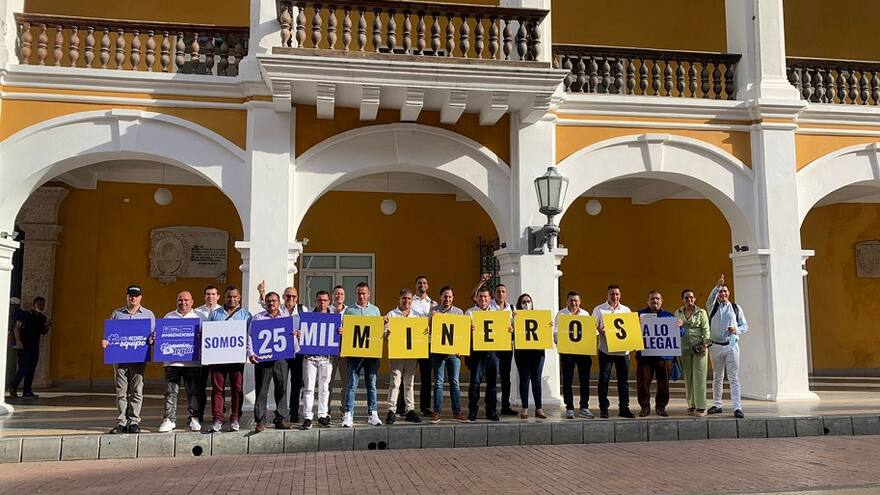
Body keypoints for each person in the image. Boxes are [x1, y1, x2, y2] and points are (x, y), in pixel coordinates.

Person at [102, 285, 155, 434]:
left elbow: (152, 335)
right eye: (131, 295)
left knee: (137, 390)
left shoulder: (148, 314)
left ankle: (134, 421)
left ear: (141, 297)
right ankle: (121, 422)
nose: (133, 298)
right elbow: (109, 336)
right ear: (126, 296)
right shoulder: (117, 314)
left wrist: (152, 339)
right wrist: (105, 342)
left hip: (139, 358)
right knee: (121, 391)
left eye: (136, 295)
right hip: (120, 359)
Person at [208, 285, 252, 433]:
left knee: (237, 389)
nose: (231, 299)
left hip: (237, 359)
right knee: (217, 390)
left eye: (234, 297)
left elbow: (250, 336)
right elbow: (208, 334)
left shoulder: (246, 315)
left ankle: (235, 418)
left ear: (239, 298)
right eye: (229, 296)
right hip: (218, 359)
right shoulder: (215, 314)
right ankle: (218, 419)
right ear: (224, 297)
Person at [158, 291, 202, 433]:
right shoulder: (168, 316)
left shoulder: (199, 317)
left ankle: (194, 418)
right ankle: (169, 419)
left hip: (192, 363)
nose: (183, 303)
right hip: (172, 363)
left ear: (192, 302)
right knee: (170, 392)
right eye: (180, 300)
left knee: (193, 392)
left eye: (186, 300)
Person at [249, 291, 293, 432]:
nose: (271, 303)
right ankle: (260, 421)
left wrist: (295, 335)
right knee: (262, 390)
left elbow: (292, 334)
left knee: (282, 388)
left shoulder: (286, 317)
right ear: (265, 303)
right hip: (263, 359)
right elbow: (250, 336)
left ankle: (281, 418)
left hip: (281, 359)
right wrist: (251, 353)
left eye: (274, 300)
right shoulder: (258, 318)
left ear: (279, 302)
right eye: (268, 301)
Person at [706, 275, 749, 419]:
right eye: (720, 292)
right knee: (717, 377)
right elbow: (710, 298)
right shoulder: (712, 307)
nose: (723, 294)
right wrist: (717, 286)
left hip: (731, 345)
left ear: (729, 293)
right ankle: (717, 404)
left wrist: (737, 330)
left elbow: (745, 325)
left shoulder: (736, 308)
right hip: (716, 346)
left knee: (734, 378)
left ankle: (737, 407)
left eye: (725, 291)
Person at [341, 282, 383, 428]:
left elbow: (379, 332)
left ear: (369, 294)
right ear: (356, 294)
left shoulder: (375, 310)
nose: (361, 295)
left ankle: (373, 414)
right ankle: (348, 414)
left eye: (364, 293)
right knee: (352, 385)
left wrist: (385, 330)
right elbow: (344, 330)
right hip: (354, 354)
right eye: (359, 293)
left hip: (371, 355)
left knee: (371, 384)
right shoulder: (349, 311)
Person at [593, 284, 636, 419]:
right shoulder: (599, 310)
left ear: (620, 295)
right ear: (607, 295)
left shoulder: (626, 310)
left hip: (623, 352)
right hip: (606, 350)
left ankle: (624, 408)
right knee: (604, 380)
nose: (615, 297)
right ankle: (604, 409)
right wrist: (600, 330)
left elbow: (630, 329)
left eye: (617, 294)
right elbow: (592, 327)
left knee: (623, 381)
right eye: (612, 294)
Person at [429, 286, 468, 424]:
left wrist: (461, 348)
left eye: (450, 296)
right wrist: (432, 320)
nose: (447, 299)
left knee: (455, 383)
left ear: (453, 298)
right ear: (441, 297)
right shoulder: (434, 312)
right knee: (439, 383)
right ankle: (437, 412)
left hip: (453, 353)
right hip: (438, 353)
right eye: (445, 296)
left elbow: (462, 333)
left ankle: (457, 412)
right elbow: (428, 331)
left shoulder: (459, 312)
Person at [384, 288, 423, 424]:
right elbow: (385, 333)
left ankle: (410, 410)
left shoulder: (417, 316)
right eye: (404, 298)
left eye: (409, 299)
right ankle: (391, 410)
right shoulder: (392, 314)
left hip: (411, 354)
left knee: (409, 383)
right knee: (395, 382)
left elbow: (421, 334)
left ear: (412, 301)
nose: (406, 301)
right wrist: (386, 333)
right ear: (399, 299)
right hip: (397, 354)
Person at [635, 291, 675, 417]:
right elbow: (630, 330)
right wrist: (636, 325)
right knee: (643, 383)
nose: (655, 301)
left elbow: (680, 333)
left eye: (657, 299)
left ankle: (661, 407)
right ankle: (644, 407)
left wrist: (679, 326)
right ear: (648, 301)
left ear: (661, 300)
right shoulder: (639, 315)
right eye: (652, 299)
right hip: (645, 355)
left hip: (664, 356)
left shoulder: (669, 316)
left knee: (664, 383)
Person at [465, 286, 502, 422]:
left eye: (485, 296)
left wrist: (509, 329)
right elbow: (463, 334)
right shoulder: (470, 313)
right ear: (477, 298)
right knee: (475, 383)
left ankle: (491, 411)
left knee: (492, 384)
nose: (483, 299)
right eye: (480, 296)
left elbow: (502, 332)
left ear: (490, 298)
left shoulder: (497, 313)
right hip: (476, 353)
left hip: (492, 353)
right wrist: (468, 329)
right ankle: (473, 410)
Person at [300, 290, 334, 429]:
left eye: (325, 300)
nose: (322, 303)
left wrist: (340, 332)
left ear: (329, 302)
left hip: (326, 359)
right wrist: (299, 334)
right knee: (308, 388)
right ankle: (308, 416)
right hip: (310, 358)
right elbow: (302, 334)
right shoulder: (308, 317)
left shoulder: (334, 318)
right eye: (319, 300)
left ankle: (322, 415)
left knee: (324, 388)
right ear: (315, 301)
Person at [557, 290, 593, 420]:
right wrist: (561, 343)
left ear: (580, 302)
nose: (573, 303)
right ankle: (569, 408)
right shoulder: (561, 314)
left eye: (576, 301)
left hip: (583, 352)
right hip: (568, 353)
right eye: (571, 300)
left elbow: (590, 333)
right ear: (567, 301)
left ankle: (584, 407)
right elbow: (556, 333)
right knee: (567, 380)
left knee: (584, 380)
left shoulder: (585, 314)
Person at [675, 289, 711, 417]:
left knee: (699, 376)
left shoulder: (701, 313)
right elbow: (674, 330)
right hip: (684, 348)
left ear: (694, 299)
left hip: (699, 348)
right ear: (682, 300)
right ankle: (691, 404)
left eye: (691, 297)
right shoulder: (678, 313)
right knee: (688, 377)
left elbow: (706, 330)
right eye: (686, 298)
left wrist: (705, 344)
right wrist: (677, 325)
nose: (688, 300)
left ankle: (701, 406)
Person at [9, 296, 50, 399]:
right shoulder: (25, 315)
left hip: (34, 346)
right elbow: (16, 328)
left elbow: (43, 332)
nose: (41, 306)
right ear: (34, 304)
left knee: (32, 368)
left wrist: (47, 326)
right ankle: (13, 386)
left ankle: (27, 391)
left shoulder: (42, 318)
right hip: (24, 345)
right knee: (24, 367)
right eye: (39, 304)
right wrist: (18, 341)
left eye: (43, 305)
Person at [192, 285, 221, 430]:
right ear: (204, 296)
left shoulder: (223, 312)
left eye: (213, 294)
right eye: (208, 294)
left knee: (218, 388)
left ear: (218, 296)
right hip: (201, 356)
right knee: (199, 387)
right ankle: (199, 414)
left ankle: (218, 415)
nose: (211, 296)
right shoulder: (196, 312)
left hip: (218, 357)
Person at [514, 293, 546, 419]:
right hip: (522, 352)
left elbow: (545, 331)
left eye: (528, 301)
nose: (526, 304)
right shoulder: (515, 316)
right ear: (519, 304)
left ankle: (539, 408)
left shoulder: (538, 315)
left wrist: (547, 325)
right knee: (524, 379)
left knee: (537, 380)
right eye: (523, 301)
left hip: (537, 352)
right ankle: (525, 408)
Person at [412, 275, 434, 417]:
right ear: (416, 285)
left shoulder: (433, 303)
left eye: (424, 283)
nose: (422, 285)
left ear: (427, 286)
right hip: (412, 343)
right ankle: (403, 407)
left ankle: (425, 407)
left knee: (426, 377)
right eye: (419, 283)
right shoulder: (409, 301)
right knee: (407, 376)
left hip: (427, 344)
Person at [331, 285, 348, 417]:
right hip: (329, 352)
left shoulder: (349, 312)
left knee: (346, 383)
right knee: (327, 383)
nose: (339, 296)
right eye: (336, 294)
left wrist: (346, 331)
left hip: (345, 351)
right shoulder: (326, 311)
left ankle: (344, 410)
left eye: (341, 294)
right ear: (332, 296)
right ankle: (326, 412)